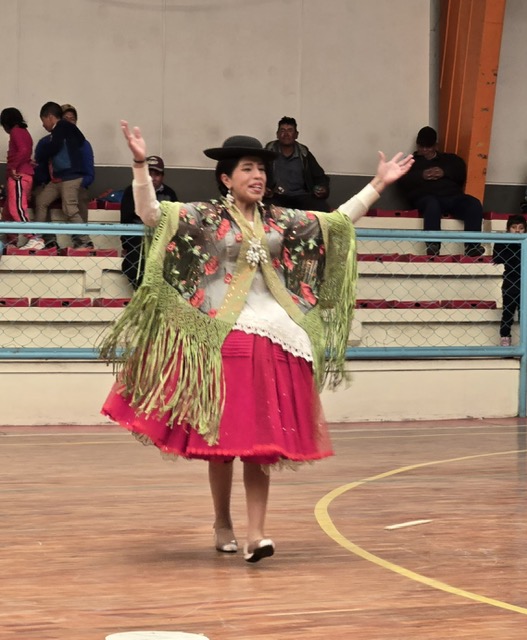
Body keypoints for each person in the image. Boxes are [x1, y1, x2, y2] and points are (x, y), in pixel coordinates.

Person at [100, 120, 413, 563]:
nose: (258, 176)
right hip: (222, 335)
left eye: (262, 169)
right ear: (227, 178)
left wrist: (378, 186)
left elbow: (336, 223)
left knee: (260, 441)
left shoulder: (282, 220)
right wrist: (138, 163)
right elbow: (152, 215)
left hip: (273, 335)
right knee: (224, 442)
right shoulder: (204, 216)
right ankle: (222, 521)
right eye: (248, 168)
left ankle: (257, 535)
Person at [398, 126, 484, 257]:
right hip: (425, 198)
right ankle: (433, 245)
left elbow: (461, 172)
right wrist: (422, 175)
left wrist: (445, 172)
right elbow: (401, 182)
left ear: (436, 146)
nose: (425, 150)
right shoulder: (411, 163)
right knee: (432, 204)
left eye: (428, 147)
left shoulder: (450, 160)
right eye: (422, 147)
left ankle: (473, 246)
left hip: (452, 197)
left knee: (474, 204)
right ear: (417, 146)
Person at [29, 101, 92, 251]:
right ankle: (38, 237)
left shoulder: (62, 128)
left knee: (69, 208)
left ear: (50, 117)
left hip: (71, 177)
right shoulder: (59, 133)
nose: (43, 125)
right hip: (57, 179)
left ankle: (85, 241)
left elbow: (55, 147)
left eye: (43, 121)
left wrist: (40, 157)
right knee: (41, 200)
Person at [120, 155, 178, 289]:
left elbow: (175, 221)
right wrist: (126, 245)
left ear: (162, 176)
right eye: (149, 173)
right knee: (135, 262)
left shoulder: (170, 193)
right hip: (138, 239)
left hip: (163, 238)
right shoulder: (131, 191)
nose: (153, 178)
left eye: (156, 174)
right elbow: (126, 220)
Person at [265, 116, 330, 211]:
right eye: (282, 130)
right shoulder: (268, 152)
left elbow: (320, 177)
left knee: (322, 207)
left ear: (296, 135)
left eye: (290, 130)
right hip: (276, 196)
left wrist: (323, 189)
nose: (286, 134)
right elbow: (258, 174)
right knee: (264, 208)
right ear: (277, 134)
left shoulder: (304, 154)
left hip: (301, 196)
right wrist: (264, 189)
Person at [0, 107, 35, 247]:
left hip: (19, 176)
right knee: (8, 213)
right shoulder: (24, 132)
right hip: (20, 176)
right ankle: (11, 243)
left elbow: (24, 150)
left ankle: (34, 237)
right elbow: (25, 151)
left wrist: (14, 166)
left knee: (16, 209)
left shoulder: (16, 131)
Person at [492, 214, 527, 347]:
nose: (517, 231)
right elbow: (497, 258)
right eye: (513, 227)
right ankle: (505, 339)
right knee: (508, 311)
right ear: (508, 229)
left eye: (521, 228)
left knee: (525, 313)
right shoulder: (503, 241)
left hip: (525, 280)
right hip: (511, 280)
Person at [61, 104, 95, 225]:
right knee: (41, 199)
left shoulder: (83, 145)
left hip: (77, 185)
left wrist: (76, 183)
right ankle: (46, 238)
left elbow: (90, 175)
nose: (70, 123)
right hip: (57, 184)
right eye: (66, 119)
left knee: (79, 197)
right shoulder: (51, 142)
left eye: (72, 119)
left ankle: (82, 240)